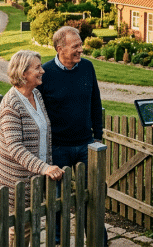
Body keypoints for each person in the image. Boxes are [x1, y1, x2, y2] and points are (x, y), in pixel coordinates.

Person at [36, 26, 106, 246]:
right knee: (57, 201)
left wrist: (98, 136)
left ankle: (98, 241)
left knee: (92, 196)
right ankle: (57, 241)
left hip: (86, 145)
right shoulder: (45, 74)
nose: (80, 50)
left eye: (80, 44)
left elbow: (96, 103)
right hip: (57, 148)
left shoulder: (87, 67)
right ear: (60, 48)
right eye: (75, 46)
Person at [0, 49, 64, 247]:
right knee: (21, 233)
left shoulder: (36, 95)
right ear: (23, 73)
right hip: (14, 183)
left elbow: (44, 133)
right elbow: (15, 147)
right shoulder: (11, 104)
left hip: (34, 180)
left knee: (32, 228)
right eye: (37, 68)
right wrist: (45, 168)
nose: (42, 71)